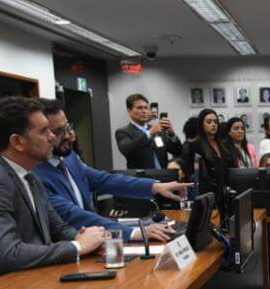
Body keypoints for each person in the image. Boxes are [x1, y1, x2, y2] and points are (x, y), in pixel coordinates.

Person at [0, 97, 106, 285]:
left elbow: (57, 228)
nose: (52, 137)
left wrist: (87, 239)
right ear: (17, 142)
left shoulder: (30, 175)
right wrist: (78, 246)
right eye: (44, 131)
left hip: (30, 280)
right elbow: (10, 253)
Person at [33, 100, 183, 241]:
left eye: (67, 127)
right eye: (58, 131)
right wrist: (134, 233)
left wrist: (155, 187)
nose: (69, 136)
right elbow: (72, 215)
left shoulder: (69, 158)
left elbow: (103, 180)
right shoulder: (34, 175)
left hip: (95, 242)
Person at [114, 94, 182, 169]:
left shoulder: (157, 129)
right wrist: (149, 133)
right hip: (142, 178)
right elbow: (127, 150)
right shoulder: (123, 132)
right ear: (129, 111)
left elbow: (177, 151)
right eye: (139, 108)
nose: (144, 111)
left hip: (164, 176)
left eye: (146, 108)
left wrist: (172, 135)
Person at [177, 109, 230, 198]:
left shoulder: (222, 145)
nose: (213, 125)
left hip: (222, 192)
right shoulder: (195, 146)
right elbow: (190, 173)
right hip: (205, 193)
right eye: (209, 122)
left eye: (215, 122)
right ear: (202, 124)